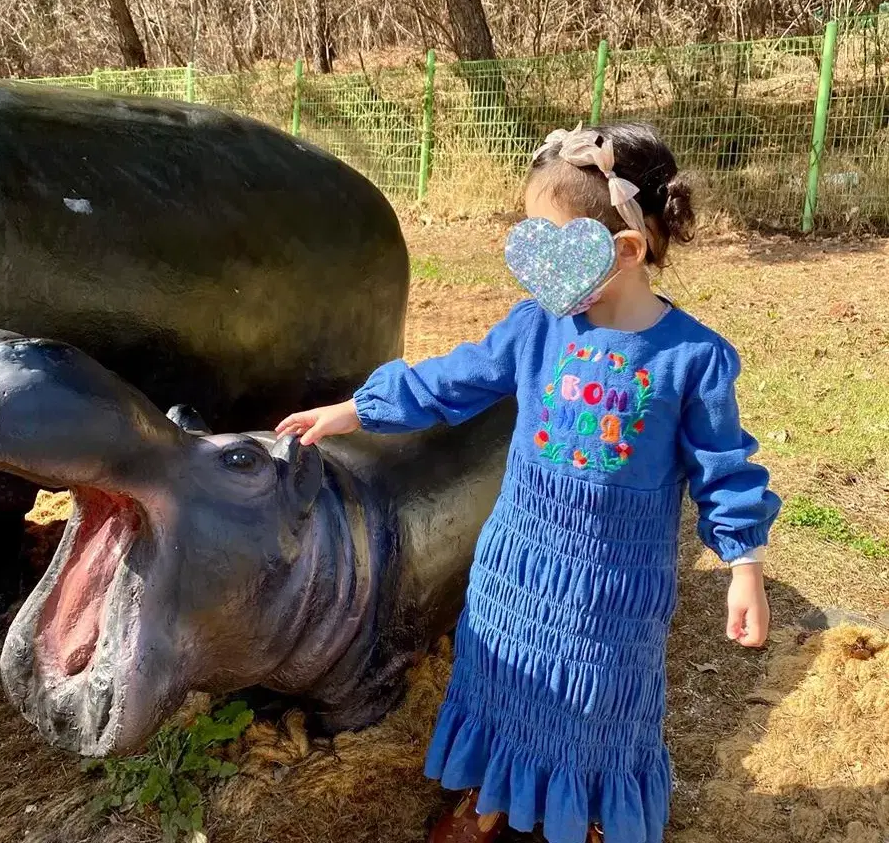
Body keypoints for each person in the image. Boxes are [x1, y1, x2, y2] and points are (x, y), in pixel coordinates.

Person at [276, 123, 781, 843]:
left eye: (553, 243)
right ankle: (496, 797)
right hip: (517, 564)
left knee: (594, 707)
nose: (536, 265)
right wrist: (357, 408)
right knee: (503, 678)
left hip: (610, 589)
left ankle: (588, 810)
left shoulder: (693, 360)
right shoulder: (536, 328)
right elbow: (453, 379)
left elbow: (724, 468)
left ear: (628, 251)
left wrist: (745, 567)